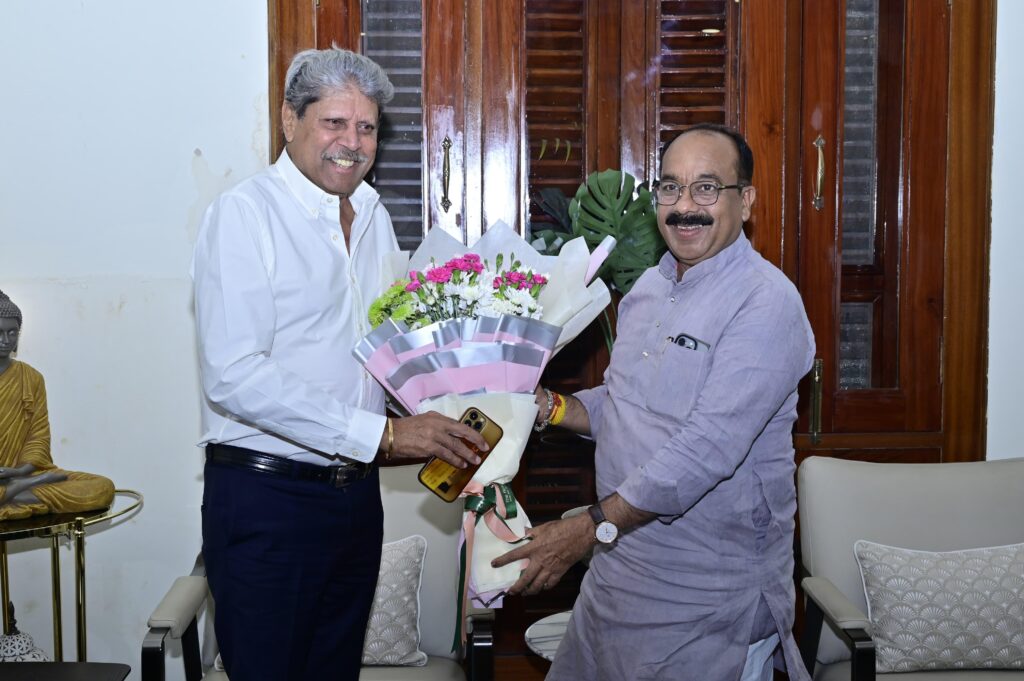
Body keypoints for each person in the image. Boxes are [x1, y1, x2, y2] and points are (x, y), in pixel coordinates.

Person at [191, 48, 488, 681]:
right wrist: (384, 435)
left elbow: (385, 351)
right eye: (334, 122)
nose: (351, 143)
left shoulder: (374, 216)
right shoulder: (245, 213)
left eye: (367, 127)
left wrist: (474, 397)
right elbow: (234, 373)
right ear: (289, 120)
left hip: (355, 501)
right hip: (267, 501)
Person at [494, 124, 815, 681]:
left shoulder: (766, 303)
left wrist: (587, 528)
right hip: (616, 576)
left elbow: (706, 449)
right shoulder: (647, 289)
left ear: (746, 201)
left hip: (705, 600)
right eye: (671, 187)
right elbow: (626, 404)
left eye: (707, 188)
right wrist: (546, 406)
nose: (685, 207)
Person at [0, 289, 115, 520]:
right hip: (23, 481)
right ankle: (18, 491)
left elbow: (38, 436)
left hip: (22, 473)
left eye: (12, 333)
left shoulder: (31, 378)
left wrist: (20, 471)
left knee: (103, 488)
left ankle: (14, 490)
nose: (5, 340)